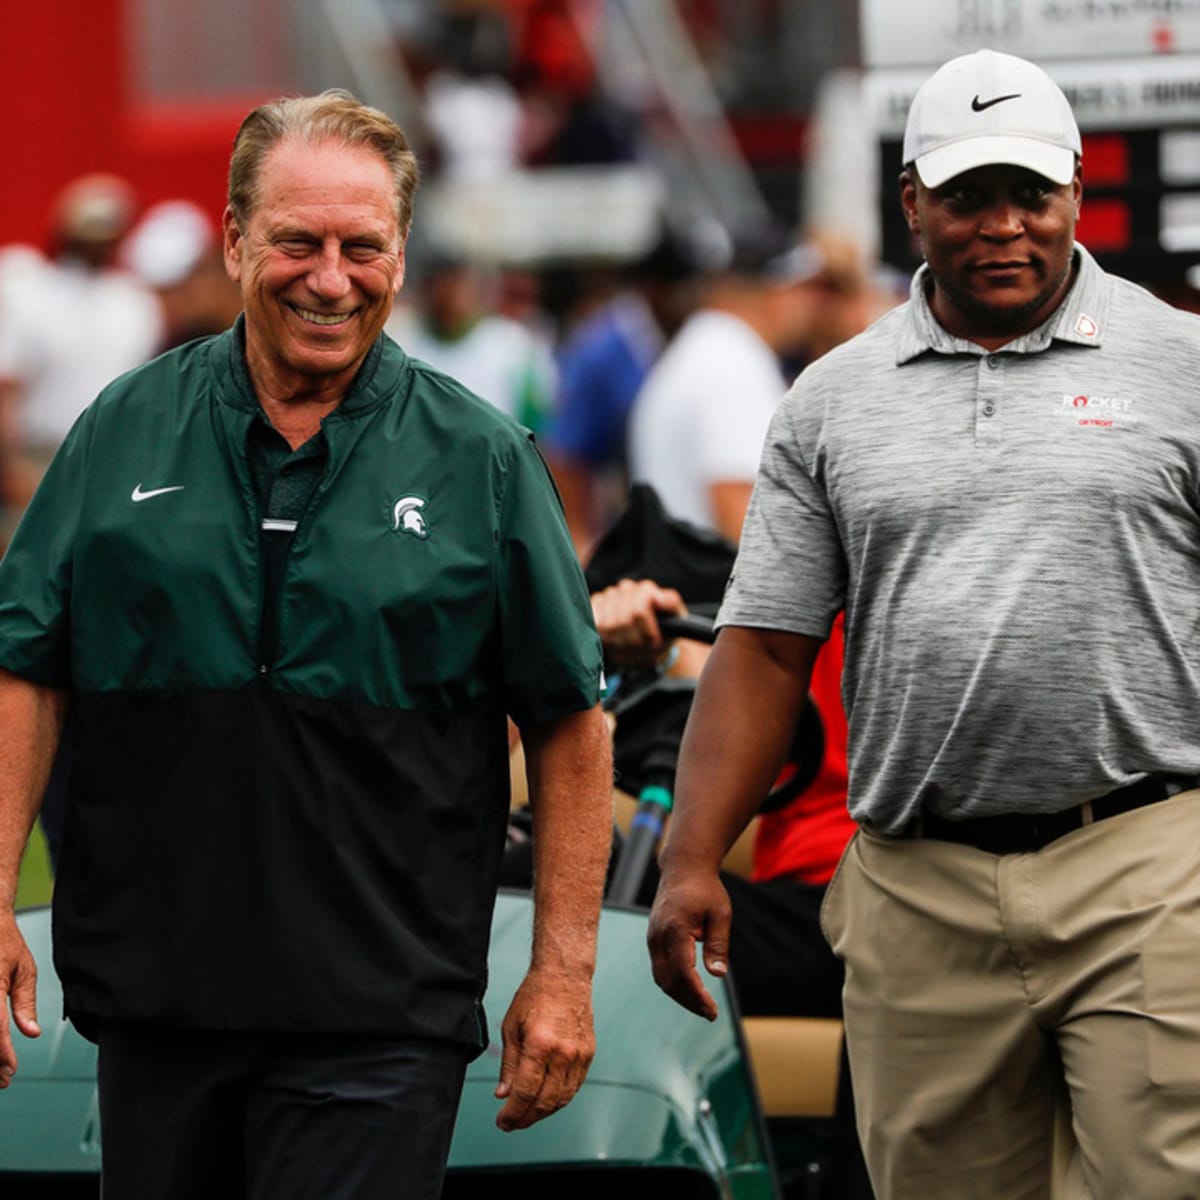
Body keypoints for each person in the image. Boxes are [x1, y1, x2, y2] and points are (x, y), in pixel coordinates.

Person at [0, 89, 613, 1200]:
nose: (331, 278)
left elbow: (570, 720)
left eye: (361, 246)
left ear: (401, 253)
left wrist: (563, 974)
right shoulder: (121, 428)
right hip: (154, 1008)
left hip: (379, 1020)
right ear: (236, 239)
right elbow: (27, 669)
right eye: (297, 242)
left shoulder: (479, 459)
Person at [646, 47, 1200, 1200]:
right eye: (967, 196)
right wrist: (692, 855)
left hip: (1147, 860)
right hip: (918, 882)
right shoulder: (830, 400)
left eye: (1029, 194)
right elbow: (762, 648)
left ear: (1075, 195)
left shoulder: (1182, 363)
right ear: (912, 204)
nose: (1003, 225)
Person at [627, 226, 841, 542]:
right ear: (777, 290)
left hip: (688, 578)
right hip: (712, 586)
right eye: (809, 291)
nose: (816, 308)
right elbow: (741, 513)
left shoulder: (709, 347)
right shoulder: (731, 363)